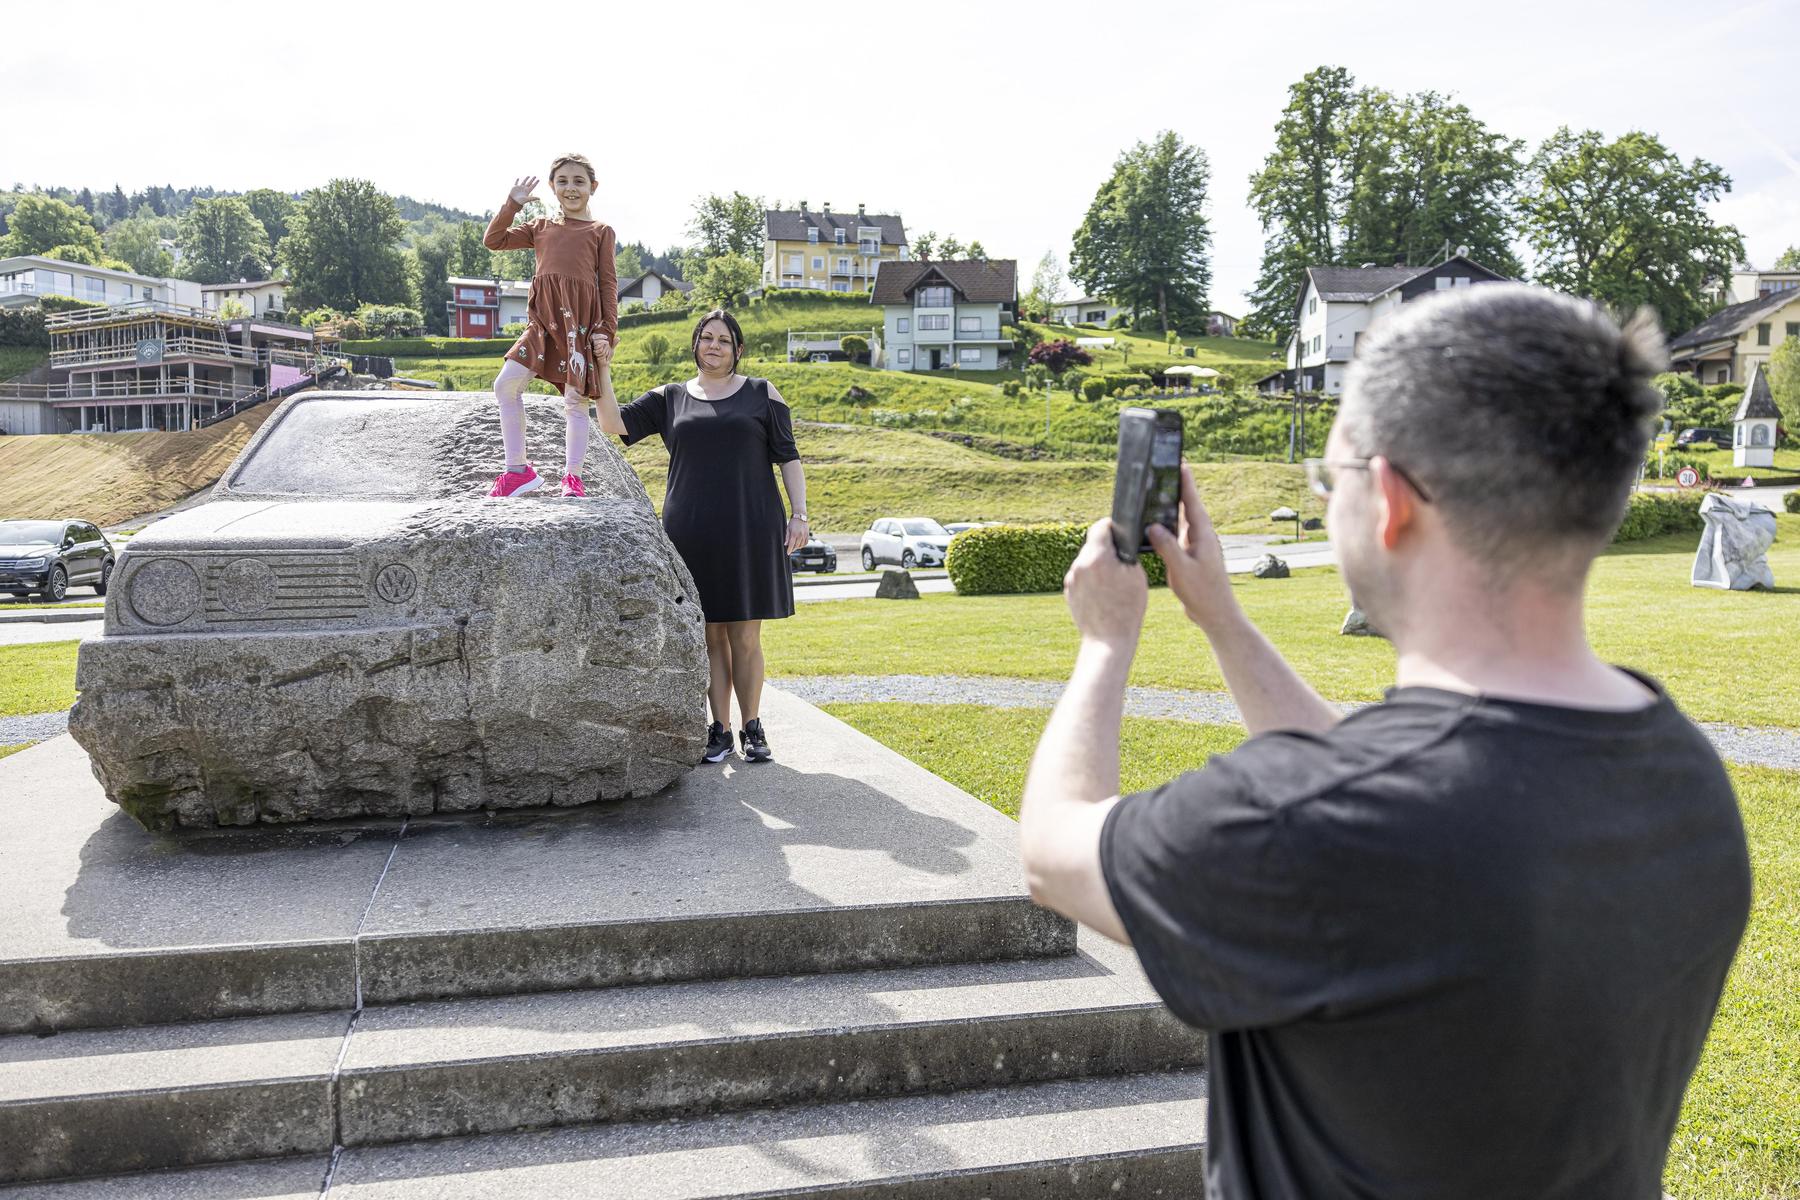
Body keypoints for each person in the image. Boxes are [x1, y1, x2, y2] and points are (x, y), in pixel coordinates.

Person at [1018, 284, 1752, 1199]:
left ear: (1394, 499)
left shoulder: (1307, 824)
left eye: (1333, 480)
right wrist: (1227, 626)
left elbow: (1053, 850)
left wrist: (1103, 645)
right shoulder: (1681, 773)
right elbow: (1420, 794)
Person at [593, 309, 809, 764]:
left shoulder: (761, 393)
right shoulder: (670, 397)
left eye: (724, 340)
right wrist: (603, 367)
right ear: (695, 344)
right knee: (710, 636)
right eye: (706, 337)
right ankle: (720, 729)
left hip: (751, 524)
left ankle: (752, 727)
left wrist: (800, 515)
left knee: (745, 636)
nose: (714, 345)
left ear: (738, 350)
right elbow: (611, 423)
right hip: (690, 529)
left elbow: (788, 457)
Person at [482, 153, 619, 499]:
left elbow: (608, 286)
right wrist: (511, 204)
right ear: (552, 187)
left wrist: (606, 331)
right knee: (505, 386)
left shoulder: (601, 232)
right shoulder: (540, 226)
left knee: (576, 400)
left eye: (578, 181)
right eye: (563, 181)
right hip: (542, 323)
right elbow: (494, 240)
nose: (570, 188)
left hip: (579, 325)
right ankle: (517, 471)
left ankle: (572, 478)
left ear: (593, 187)